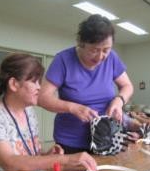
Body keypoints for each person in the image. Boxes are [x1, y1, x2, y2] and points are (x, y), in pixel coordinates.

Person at [0, 53, 97, 171]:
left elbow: (29, 156)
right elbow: (9, 163)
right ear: (14, 84)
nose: (39, 88)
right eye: (34, 82)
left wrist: (47, 155)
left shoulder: (29, 111)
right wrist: (65, 159)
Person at [38, 14, 134, 153]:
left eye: (106, 50)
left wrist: (119, 100)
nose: (101, 57)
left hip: (105, 137)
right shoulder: (63, 60)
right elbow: (42, 97)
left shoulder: (112, 58)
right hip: (71, 141)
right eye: (94, 50)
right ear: (81, 43)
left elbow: (127, 86)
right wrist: (73, 108)